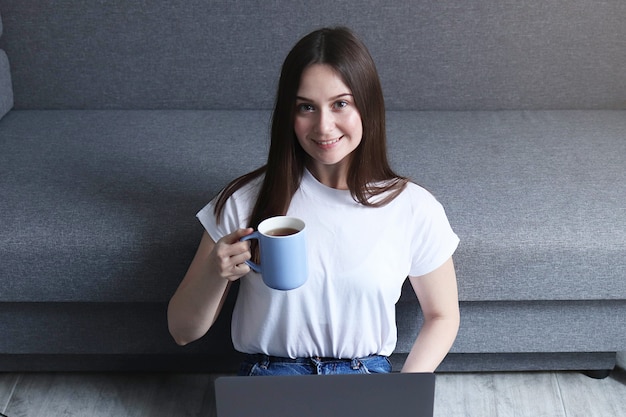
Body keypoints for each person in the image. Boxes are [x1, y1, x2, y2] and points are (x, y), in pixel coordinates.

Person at [167, 27, 460, 376]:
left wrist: (407, 389)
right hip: (270, 377)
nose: (324, 126)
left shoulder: (412, 207)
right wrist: (215, 274)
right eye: (307, 107)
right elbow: (182, 331)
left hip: (364, 376)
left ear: (367, 105)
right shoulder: (244, 201)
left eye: (340, 104)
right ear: (288, 118)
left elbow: (443, 315)